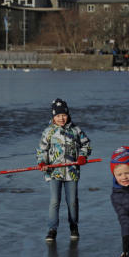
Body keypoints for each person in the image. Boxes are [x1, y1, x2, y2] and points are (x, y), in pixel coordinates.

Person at [36, 98, 92, 242]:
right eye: (58, 115)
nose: (61, 118)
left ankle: (74, 226)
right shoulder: (48, 132)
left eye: (64, 115)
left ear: (68, 115)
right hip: (54, 172)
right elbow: (41, 150)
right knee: (55, 201)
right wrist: (42, 162)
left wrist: (82, 156)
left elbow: (86, 145)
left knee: (72, 201)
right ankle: (52, 229)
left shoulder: (76, 130)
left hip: (72, 171)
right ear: (53, 117)